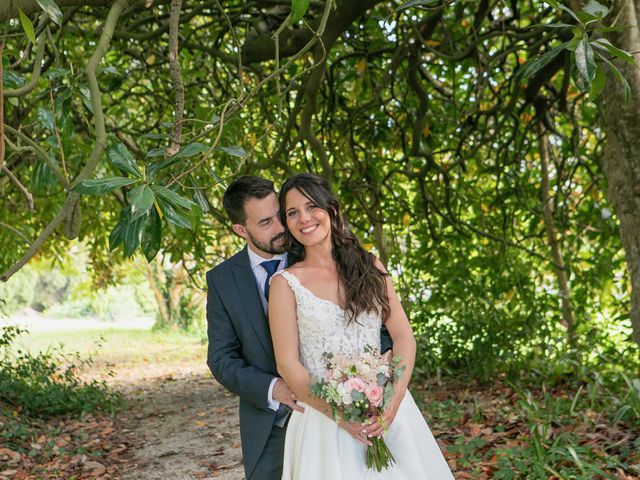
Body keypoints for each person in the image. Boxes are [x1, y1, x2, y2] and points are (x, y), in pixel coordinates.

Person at [269, 173, 454, 479]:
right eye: (292, 212)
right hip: (324, 424)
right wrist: (341, 417)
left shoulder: (370, 266)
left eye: (311, 206)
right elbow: (287, 364)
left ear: (331, 209)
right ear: (287, 224)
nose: (304, 218)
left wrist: (392, 403)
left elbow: (403, 336)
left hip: (388, 411)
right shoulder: (285, 284)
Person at [206, 175, 392, 479]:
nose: (281, 228)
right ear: (241, 229)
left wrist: (371, 381)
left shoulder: (319, 250)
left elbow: (373, 325)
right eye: (266, 223)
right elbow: (221, 359)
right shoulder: (222, 280)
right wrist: (273, 388)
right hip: (272, 420)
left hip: (348, 406)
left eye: (280, 215)